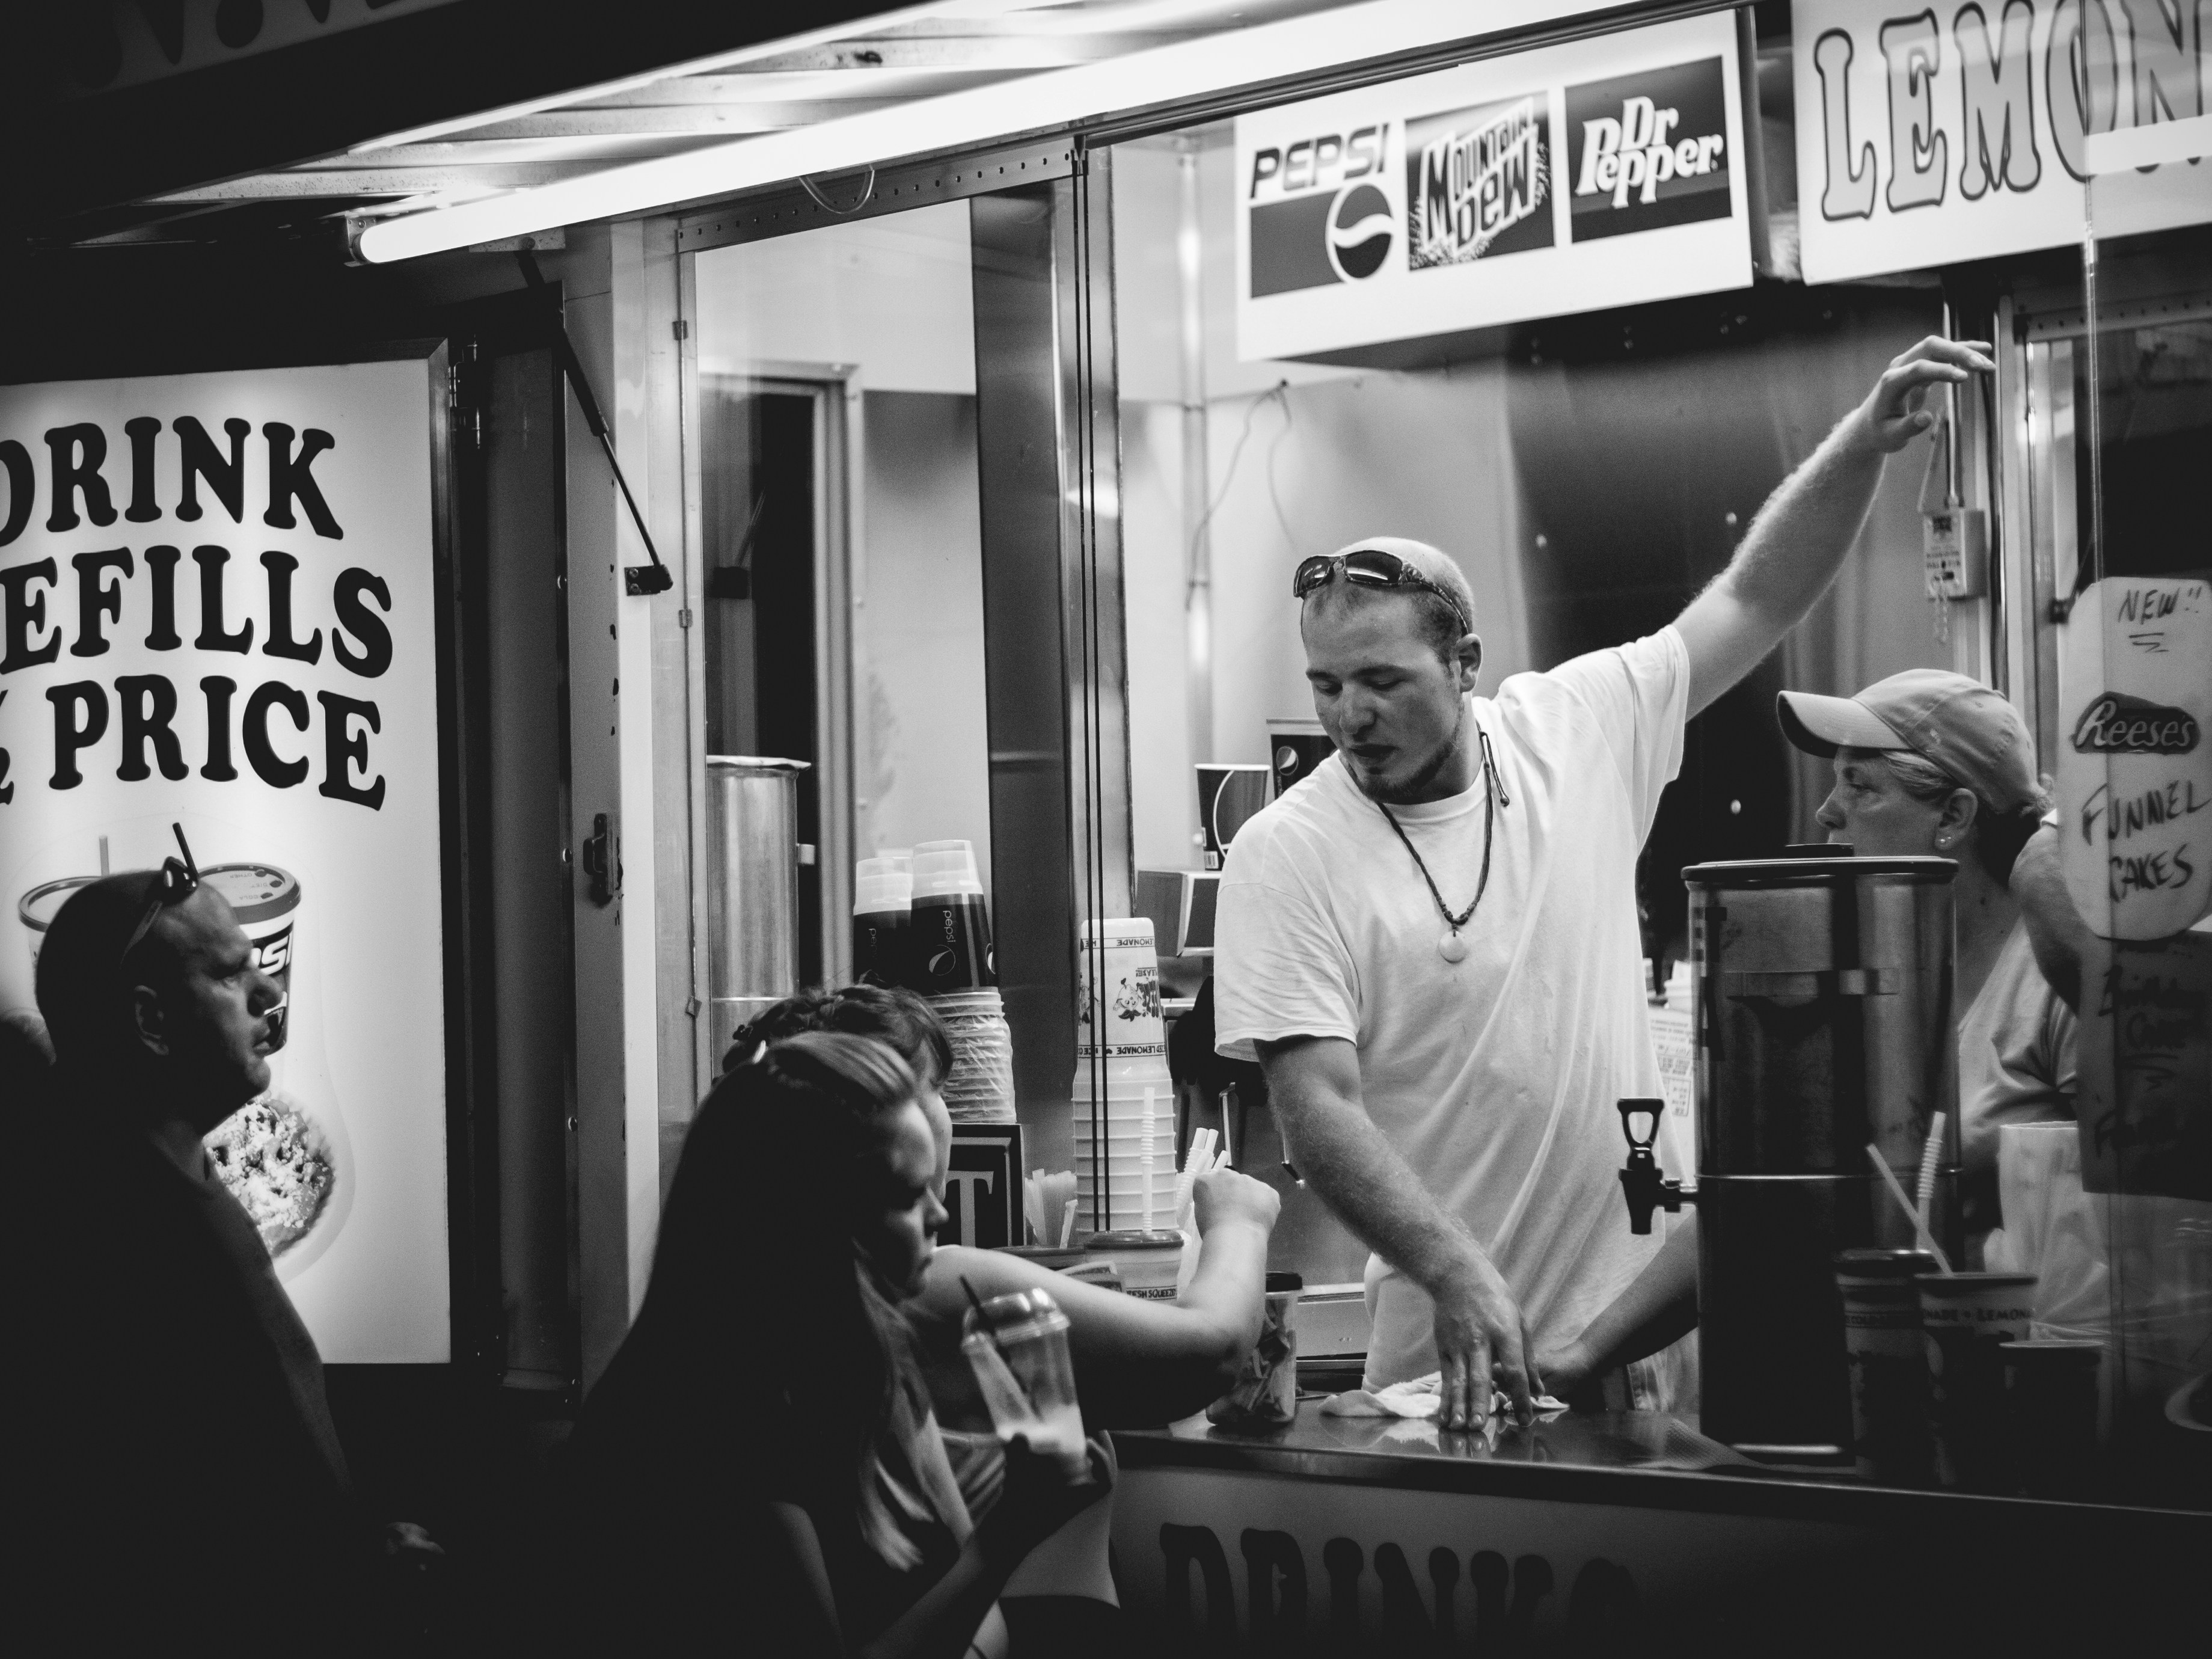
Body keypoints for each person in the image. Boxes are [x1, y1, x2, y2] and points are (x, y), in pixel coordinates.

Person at [1213, 336, 1995, 1429]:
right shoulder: (1287, 849)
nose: (1350, 714)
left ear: (1464, 662)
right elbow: (1315, 1113)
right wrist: (1454, 1269)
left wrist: (1860, 443)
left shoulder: (1570, 729)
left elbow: (1752, 597)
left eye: (1382, 680)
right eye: (1327, 683)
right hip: (1451, 1361)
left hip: (1641, 1341)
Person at [1543, 670, 2077, 1391]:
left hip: (2021, 1396)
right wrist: (1583, 1353)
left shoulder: (2056, 984)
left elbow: (2128, 1235)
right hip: (1876, 1389)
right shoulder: (1869, 975)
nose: (1826, 811)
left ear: (1952, 815)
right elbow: (1760, 1205)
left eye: (1859, 786)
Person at [568, 1032, 1109, 1658]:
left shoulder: (867, 1366)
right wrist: (1005, 1540)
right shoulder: (708, 1426)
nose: (939, 1215)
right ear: (814, 1219)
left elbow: (966, 1606)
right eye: (908, 1195)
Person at [11, 848, 376, 1652]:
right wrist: (348, 1569)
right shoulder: (125, 1228)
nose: (270, 993)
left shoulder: (145, 1169)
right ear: (150, 1021)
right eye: (230, 973)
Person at [732, 984, 1282, 1429]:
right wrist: (1239, 1222)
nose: (942, 1116)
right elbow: (1210, 1352)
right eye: (934, 1087)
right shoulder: (931, 1287)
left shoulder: (775, 1296)